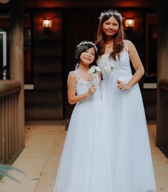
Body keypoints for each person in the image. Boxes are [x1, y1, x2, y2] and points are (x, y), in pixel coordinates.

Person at [95, 9, 156, 192]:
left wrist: (129, 85)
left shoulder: (127, 44)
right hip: (106, 93)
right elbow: (94, 72)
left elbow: (140, 70)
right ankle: (108, 177)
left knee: (127, 133)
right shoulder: (96, 47)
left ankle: (129, 180)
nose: (111, 27)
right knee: (107, 132)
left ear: (119, 26)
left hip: (127, 94)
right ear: (102, 25)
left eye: (115, 24)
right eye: (108, 23)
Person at [53, 41, 112, 192]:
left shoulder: (97, 71)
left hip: (99, 111)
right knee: (83, 147)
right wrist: (87, 94)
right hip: (83, 113)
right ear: (79, 53)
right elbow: (71, 99)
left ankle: (98, 183)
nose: (89, 55)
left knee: (99, 146)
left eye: (92, 53)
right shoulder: (73, 75)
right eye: (86, 52)